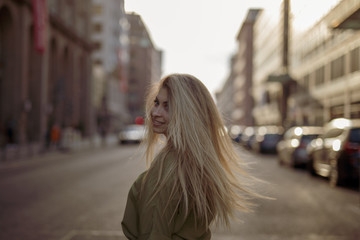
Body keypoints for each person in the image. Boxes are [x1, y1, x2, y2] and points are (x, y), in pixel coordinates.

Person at [122, 74, 257, 239]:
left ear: (188, 113)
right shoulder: (200, 163)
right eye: (156, 103)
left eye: (168, 106)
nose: (155, 112)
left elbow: (155, 233)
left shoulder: (169, 166)